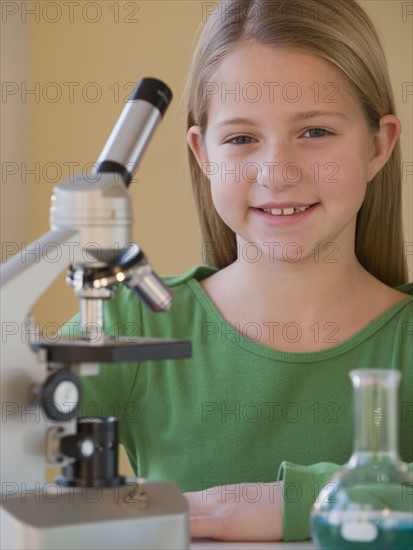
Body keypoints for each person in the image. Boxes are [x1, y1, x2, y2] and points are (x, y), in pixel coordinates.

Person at [76, 0, 412, 542]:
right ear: (202, 153)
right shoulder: (133, 323)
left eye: (316, 132)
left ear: (378, 145)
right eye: (240, 138)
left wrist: (305, 502)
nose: (277, 172)